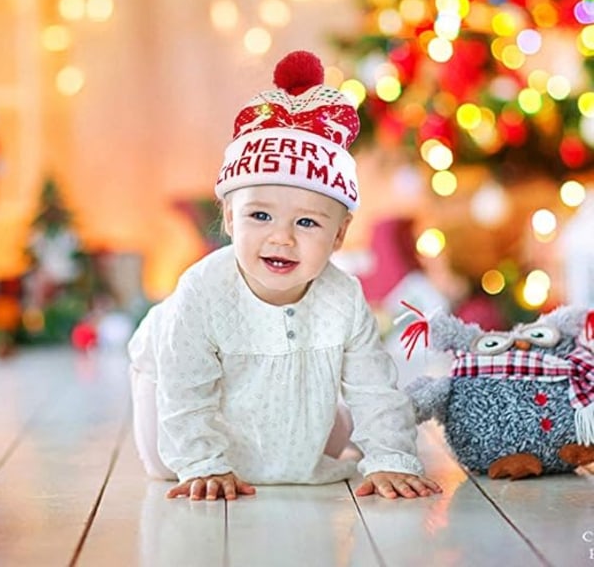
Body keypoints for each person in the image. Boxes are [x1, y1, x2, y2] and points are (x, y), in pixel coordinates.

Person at [127, 50, 442, 502]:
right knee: (166, 463)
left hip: (290, 388)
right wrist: (202, 463)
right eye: (260, 215)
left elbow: (373, 386)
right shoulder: (202, 289)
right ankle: (205, 453)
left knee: (324, 444)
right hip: (176, 381)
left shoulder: (342, 296)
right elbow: (186, 388)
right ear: (231, 219)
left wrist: (392, 456)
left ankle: (292, 436)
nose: (282, 239)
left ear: (339, 235)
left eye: (307, 223)